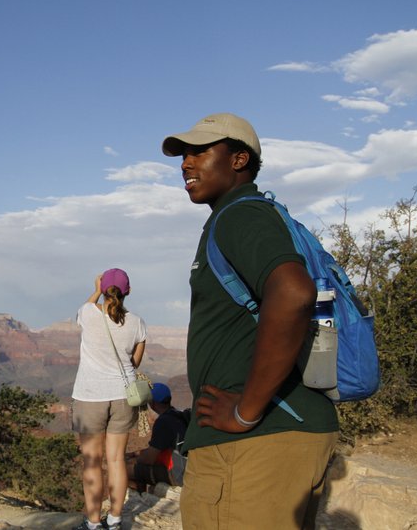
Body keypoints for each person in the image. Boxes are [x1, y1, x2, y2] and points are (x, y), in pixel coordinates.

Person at [161, 113, 339, 529]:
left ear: (239, 159)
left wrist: (245, 411)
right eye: (183, 154)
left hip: (251, 446)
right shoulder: (253, 215)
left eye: (200, 151)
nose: (186, 163)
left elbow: (294, 294)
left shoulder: (240, 215)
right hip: (280, 439)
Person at [71, 269, 147, 530]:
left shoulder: (88, 313)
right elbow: (134, 363)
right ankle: (114, 521)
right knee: (116, 460)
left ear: (103, 289)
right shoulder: (137, 323)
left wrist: (96, 289)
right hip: (123, 397)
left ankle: (93, 524)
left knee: (92, 461)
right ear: (128, 292)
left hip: (90, 397)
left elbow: (88, 305)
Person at [125, 382, 188, 489]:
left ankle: (140, 500)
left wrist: (134, 460)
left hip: (175, 474)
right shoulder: (177, 415)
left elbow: (148, 459)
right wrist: (137, 453)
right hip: (185, 468)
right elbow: (159, 448)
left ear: (152, 403)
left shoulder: (163, 422)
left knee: (123, 470)